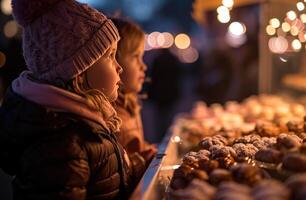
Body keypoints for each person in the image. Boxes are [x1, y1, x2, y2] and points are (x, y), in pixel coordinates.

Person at [0, 0, 141, 199]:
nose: (120, 68)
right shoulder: (61, 147)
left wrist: (139, 164)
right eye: (109, 56)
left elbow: (105, 176)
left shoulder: (88, 121)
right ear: (79, 70)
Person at [111, 18, 157, 168]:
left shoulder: (129, 103)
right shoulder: (111, 116)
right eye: (135, 57)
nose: (143, 66)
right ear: (115, 61)